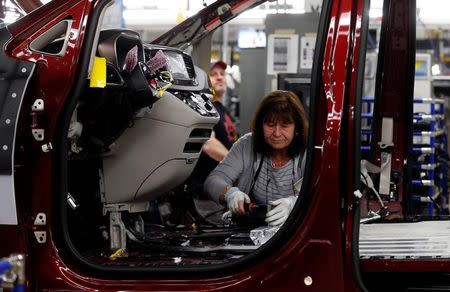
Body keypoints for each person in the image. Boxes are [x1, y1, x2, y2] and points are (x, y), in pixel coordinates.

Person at [204, 90, 308, 227]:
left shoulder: (309, 151)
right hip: (252, 229)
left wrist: (293, 204)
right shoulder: (247, 144)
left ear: (297, 128)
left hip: (296, 231)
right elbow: (212, 181)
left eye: (284, 125)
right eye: (270, 124)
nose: (277, 133)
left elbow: (323, 196)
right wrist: (231, 194)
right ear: (261, 125)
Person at [186, 61, 238, 223]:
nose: (219, 78)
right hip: (207, 197)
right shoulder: (205, 108)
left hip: (221, 192)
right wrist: (239, 166)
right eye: (213, 74)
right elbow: (208, 144)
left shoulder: (220, 109)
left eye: (222, 74)